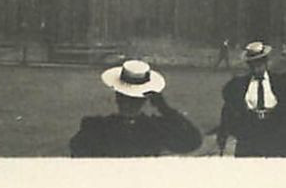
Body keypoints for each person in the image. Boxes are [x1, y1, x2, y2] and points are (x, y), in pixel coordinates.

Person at [69, 59, 203, 157]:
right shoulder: (156, 129)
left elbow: (76, 149)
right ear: (146, 99)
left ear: (117, 96)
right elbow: (193, 141)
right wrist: (164, 107)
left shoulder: (97, 128)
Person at [214, 40, 286, 157]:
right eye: (253, 65)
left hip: (276, 132)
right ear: (249, 66)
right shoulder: (238, 86)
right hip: (250, 134)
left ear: (266, 63)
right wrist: (224, 134)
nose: (257, 68)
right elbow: (228, 111)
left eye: (260, 64)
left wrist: (281, 120)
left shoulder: (282, 82)